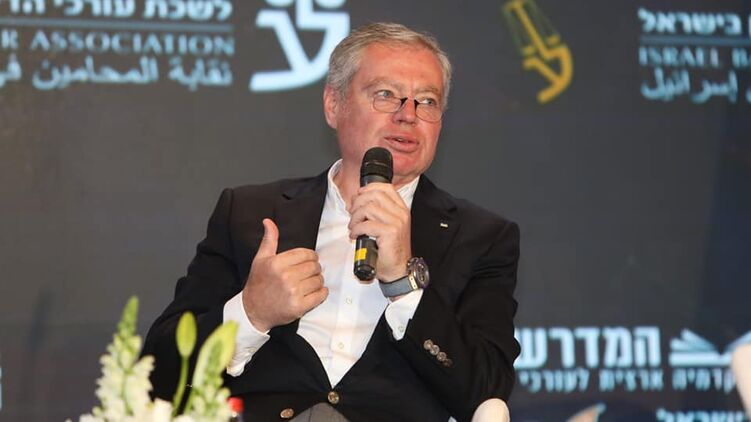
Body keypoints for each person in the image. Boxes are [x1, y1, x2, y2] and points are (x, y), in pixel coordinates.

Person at [143, 22, 520, 422]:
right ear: (333, 105)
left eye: (427, 101)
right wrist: (252, 312)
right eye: (385, 94)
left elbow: (487, 392)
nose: (408, 115)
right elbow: (157, 374)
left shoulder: (481, 238)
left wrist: (403, 285)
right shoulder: (250, 213)